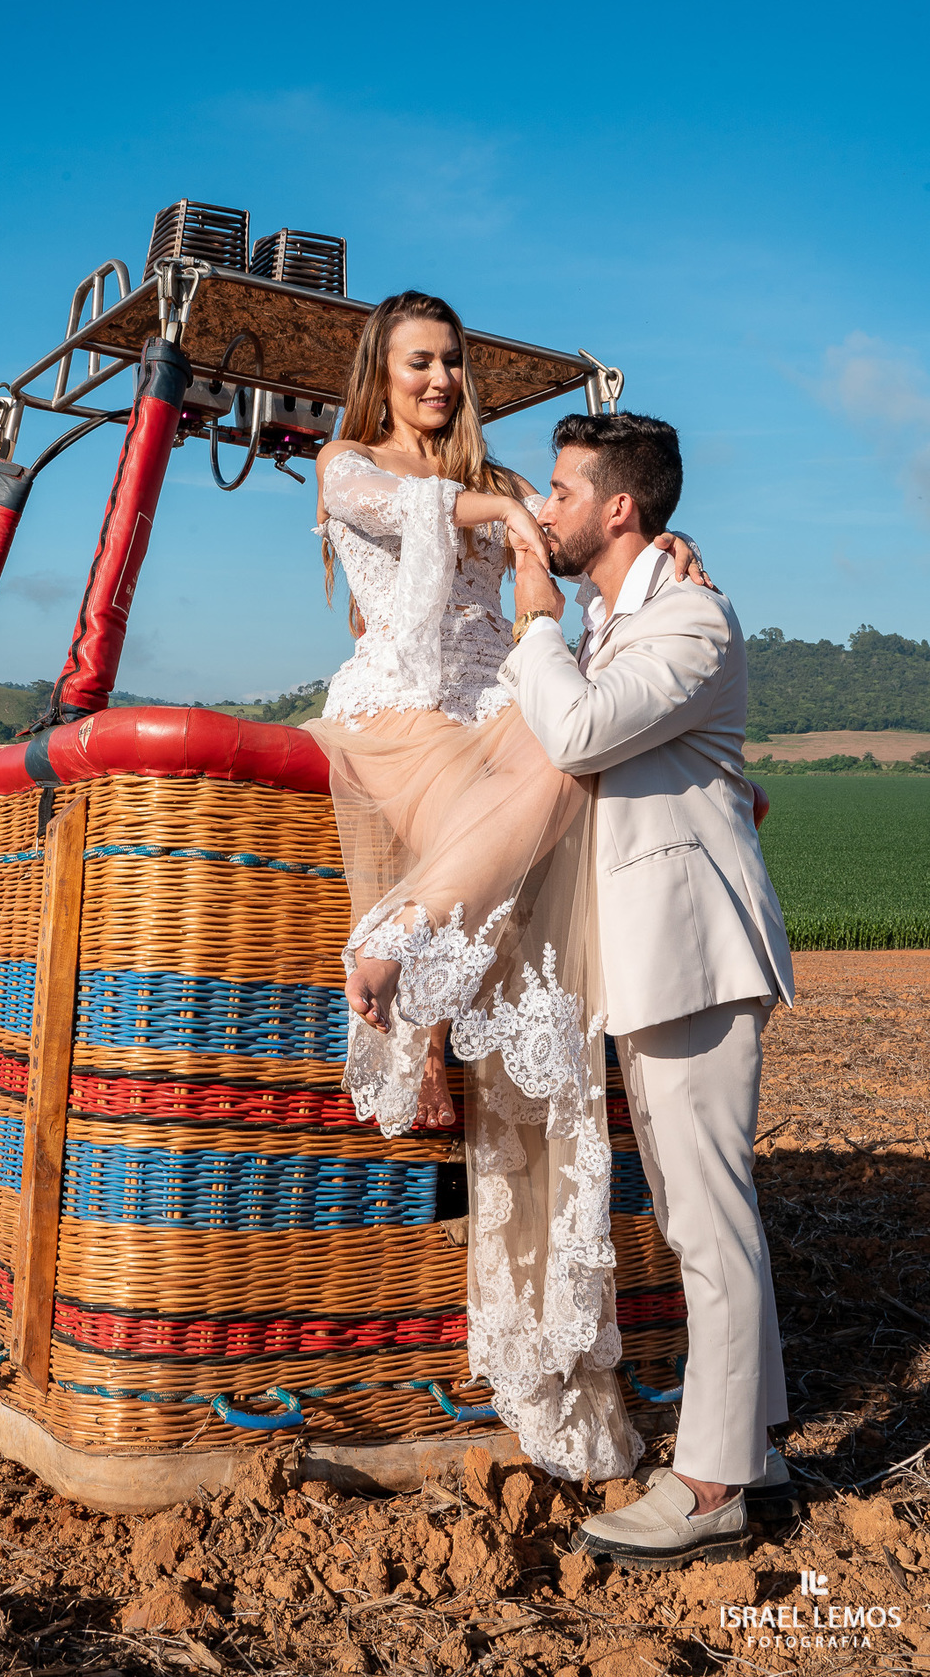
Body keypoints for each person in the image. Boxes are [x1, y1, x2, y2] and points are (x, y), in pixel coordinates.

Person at [304, 293, 706, 1480]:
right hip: (402, 716)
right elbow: (409, 510)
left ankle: (562, 1355)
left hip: (500, 712)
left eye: (452, 363)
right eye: (418, 363)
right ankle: (416, 966)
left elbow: (589, 533)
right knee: (529, 808)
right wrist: (498, 509)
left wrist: (666, 549)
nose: (439, 380)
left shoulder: (498, 479)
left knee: (564, 794)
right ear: (381, 373)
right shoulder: (348, 466)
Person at [499, 410, 795, 1566]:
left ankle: (711, 1487)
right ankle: (757, 1449)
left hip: (696, 955)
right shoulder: (631, 611)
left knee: (711, 1223)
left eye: (567, 491)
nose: (549, 508)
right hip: (654, 960)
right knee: (696, 1216)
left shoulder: (692, 621)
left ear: (621, 508)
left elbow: (578, 731)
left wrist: (535, 615)